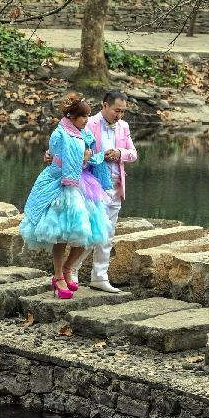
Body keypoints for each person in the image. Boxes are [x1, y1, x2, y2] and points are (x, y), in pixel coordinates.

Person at [19, 93, 112, 299]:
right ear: (72, 116)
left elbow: (91, 152)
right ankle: (58, 275)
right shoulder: (60, 134)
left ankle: (68, 268)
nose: (87, 120)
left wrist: (91, 157)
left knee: (89, 234)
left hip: (84, 183)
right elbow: (59, 159)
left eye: (88, 116)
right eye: (83, 116)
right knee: (61, 235)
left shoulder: (84, 132)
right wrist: (82, 158)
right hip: (62, 183)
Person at [46, 90, 138, 293]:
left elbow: (133, 153)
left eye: (123, 112)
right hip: (89, 184)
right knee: (84, 231)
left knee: (106, 233)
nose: (119, 115)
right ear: (105, 105)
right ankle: (71, 271)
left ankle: (100, 277)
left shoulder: (123, 127)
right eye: (116, 110)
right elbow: (66, 147)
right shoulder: (89, 123)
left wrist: (120, 153)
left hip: (114, 184)